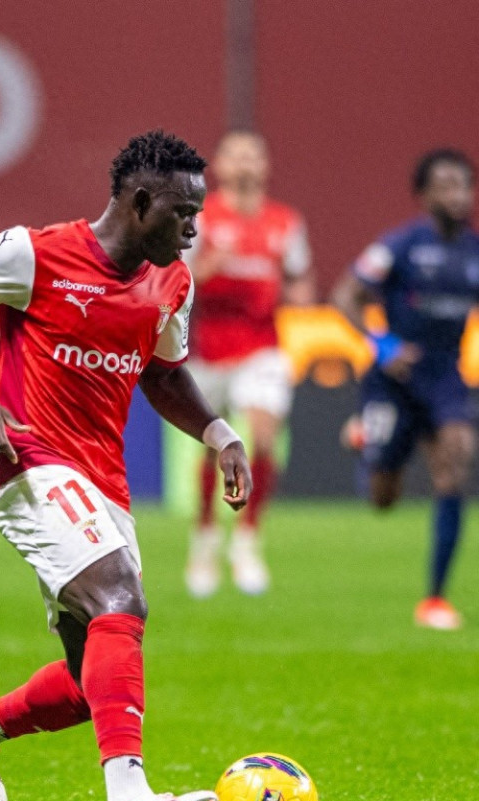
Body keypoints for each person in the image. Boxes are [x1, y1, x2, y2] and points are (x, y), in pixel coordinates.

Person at [0, 130, 252, 801]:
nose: (193, 230)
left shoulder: (172, 281)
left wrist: (220, 431)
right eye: (182, 213)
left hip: (104, 482)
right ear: (141, 202)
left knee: (85, 681)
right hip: (27, 461)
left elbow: (162, 373)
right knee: (120, 598)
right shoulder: (33, 253)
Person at [332, 148, 479, 630]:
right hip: (395, 378)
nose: (458, 195)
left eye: (464, 185)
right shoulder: (398, 246)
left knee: (456, 458)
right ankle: (366, 441)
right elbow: (345, 295)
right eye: (446, 185)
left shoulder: (474, 251)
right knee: (383, 498)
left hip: (446, 375)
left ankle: (435, 598)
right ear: (424, 195)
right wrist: (382, 344)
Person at [183, 132, 314, 598]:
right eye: (235, 156)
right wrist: (207, 269)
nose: (244, 164)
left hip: (263, 346)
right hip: (210, 348)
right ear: (218, 165)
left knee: (262, 437)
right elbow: (177, 279)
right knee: (212, 447)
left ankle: (248, 538)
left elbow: (299, 279)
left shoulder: (285, 222)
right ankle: (204, 537)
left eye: (252, 156)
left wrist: (299, 296)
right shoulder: (200, 217)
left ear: (265, 165)